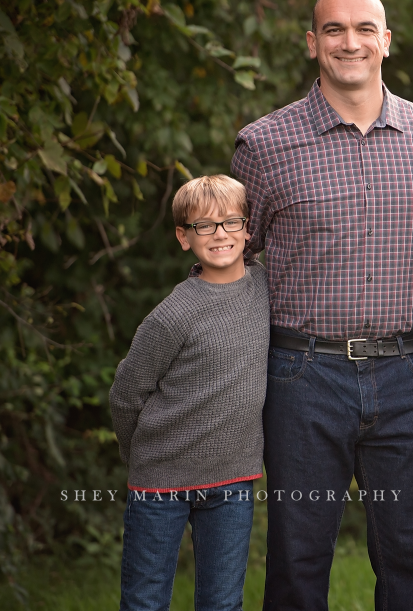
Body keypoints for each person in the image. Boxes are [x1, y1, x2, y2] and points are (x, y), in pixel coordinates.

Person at [232, 0, 413, 610]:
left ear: (386, 41)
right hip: (303, 373)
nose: (350, 42)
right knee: (298, 556)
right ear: (313, 44)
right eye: (334, 30)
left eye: (365, 28)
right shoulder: (265, 145)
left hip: (408, 371)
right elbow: (232, 264)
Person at [109, 174, 269, 611]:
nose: (220, 234)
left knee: (222, 603)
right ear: (184, 237)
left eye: (231, 222)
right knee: (145, 600)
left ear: (248, 229)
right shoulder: (172, 315)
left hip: (233, 480)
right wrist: (139, 456)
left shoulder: (266, 290)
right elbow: (126, 395)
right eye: (204, 226)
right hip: (160, 482)